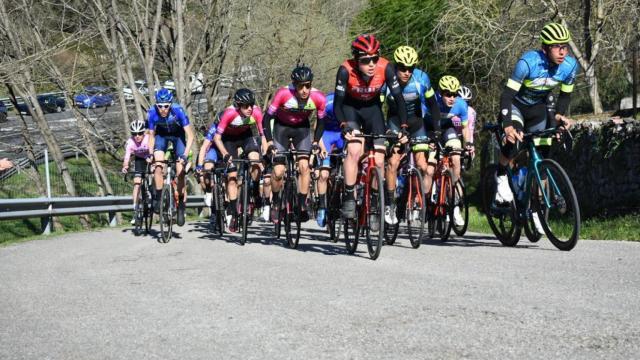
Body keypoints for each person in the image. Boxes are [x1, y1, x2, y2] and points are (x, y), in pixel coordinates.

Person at [496, 22, 578, 232]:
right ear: (545, 48)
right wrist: (507, 125)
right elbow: (507, 95)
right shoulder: (527, 63)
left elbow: (565, 96)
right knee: (513, 139)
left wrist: (559, 117)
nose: (562, 51)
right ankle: (502, 176)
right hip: (516, 106)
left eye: (565, 46)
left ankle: (536, 207)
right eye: (556, 46)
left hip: (538, 110)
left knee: (542, 156)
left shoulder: (569, 66)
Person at [334, 34, 408, 228]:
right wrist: (343, 125)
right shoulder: (345, 70)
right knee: (355, 149)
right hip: (351, 110)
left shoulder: (386, 68)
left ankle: (375, 201)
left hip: (373, 111)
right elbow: (337, 104)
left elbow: (400, 100)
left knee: (380, 158)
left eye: (375, 58)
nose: (371, 64)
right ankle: (349, 196)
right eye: (366, 60)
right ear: (356, 60)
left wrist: (404, 127)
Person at [382, 45, 441, 225]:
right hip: (394, 123)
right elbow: (378, 107)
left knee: (423, 165)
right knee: (393, 162)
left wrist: (437, 129)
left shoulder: (422, 79)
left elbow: (433, 106)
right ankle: (390, 204)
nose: (406, 72)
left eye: (411, 68)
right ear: (396, 66)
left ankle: (416, 200)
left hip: (416, 123)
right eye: (402, 68)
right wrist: (386, 132)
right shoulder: (387, 80)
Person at [263, 64, 326, 223]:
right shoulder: (283, 93)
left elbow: (321, 121)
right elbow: (267, 118)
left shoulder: (318, 97)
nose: (304, 90)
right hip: (281, 129)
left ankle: (302, 204)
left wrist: (316, 142)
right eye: (300, 86)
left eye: (308, 86)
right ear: (294, 85)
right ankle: (276, 201)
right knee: (278, 171)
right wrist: (270, 142)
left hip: (302, 129)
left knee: (305, 166)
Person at [197, 88, 265, 232]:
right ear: (238, 105)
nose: (250, 109)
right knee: (232, 176)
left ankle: (255, 190)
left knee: (255, 158)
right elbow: (217, 138)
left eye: (251, 105)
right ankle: (233, 211)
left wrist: (263, 153)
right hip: (228, 140)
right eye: (246, 106)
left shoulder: (256, 112)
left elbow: (262, 134)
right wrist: (225, 154)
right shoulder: (229, 114)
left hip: (245, 136)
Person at [424, 75, 472, 226]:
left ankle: (453, 200)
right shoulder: (431, 101)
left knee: (456, 156)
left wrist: (468, 144)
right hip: (429, 129)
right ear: (440, 93)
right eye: (448, 94)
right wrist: (426, 141)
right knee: (430, 169)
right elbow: (419, 120)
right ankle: (425, 203)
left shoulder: (461, 105)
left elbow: (465, 128)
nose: (452, 98)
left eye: (455, 94)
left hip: (446, 129)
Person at [147, 88, 195, 227]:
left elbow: (190, 136)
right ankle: (159, 197)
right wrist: (150, 153)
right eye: (160, 106)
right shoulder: (151, 113)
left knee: (180, 171)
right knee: (158, 166)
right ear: (156, 105)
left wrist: (185, 155)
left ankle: (180, 205)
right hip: (161, 135)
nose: (163, 109)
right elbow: (151, 135)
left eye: (166, 106)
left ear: (170, 104)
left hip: (178, 135)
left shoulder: (178, 110)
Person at [314, 92, 342, 227]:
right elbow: (317, 128)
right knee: (324, 175)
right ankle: (322, 206)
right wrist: (321, 147)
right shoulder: (327, 103)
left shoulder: (352, 103)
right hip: (326, 134)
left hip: (342, 135)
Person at [121, 119, 150, 225]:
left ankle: (153, 192)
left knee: (155, 171)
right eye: (134, 134)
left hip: (150, 158)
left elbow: (155, 152)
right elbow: (127, 157)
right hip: (139, 160)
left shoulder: (148, 139)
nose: (137, 136)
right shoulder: (130, 142)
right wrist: (125, 166)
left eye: (140, 133)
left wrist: (152, 160)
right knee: (137, 183)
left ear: (143, 132)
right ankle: (135, 210)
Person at [458, 85, 476, 151]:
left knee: (469, 153)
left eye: (466, 102)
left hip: (464, 136)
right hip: (449, 135)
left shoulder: (471, 112)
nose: (464, 105)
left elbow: (471, 130)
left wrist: (471, 144)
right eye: (461, 102)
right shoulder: (449, 110)